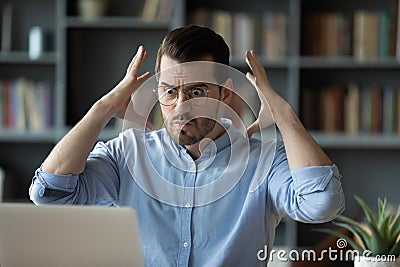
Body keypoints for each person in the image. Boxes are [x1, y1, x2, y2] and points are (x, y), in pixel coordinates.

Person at [29, 25, 345, 266]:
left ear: (224, 93)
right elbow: (50, 193)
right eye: (169, 92)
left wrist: (282, 113)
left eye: (196, 92)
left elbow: (323, 203)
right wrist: (104, 108)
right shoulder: (127, 153)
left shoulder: (263, 159)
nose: (180, 107)